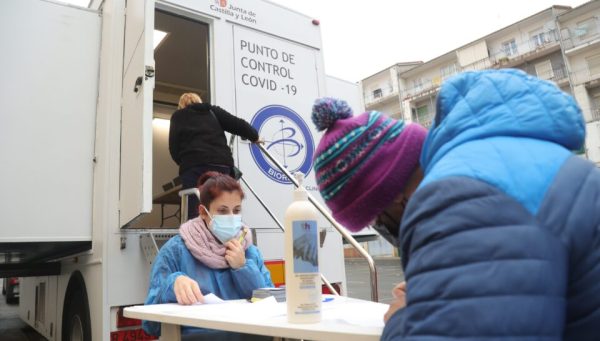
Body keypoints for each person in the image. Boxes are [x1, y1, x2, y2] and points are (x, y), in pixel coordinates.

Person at [310, 69, 600, 340]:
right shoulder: (497, 160)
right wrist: (436, 293)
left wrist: (402, 321)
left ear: (391, 196)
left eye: (377, 220)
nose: (383, 230)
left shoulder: (455, 201)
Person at [143, 172, 274, 340]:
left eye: (237, 210)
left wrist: (243, 268)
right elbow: (150, 324)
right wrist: (172, 284)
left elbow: (271, 306)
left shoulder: (250, 252)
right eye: (222, 211)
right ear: (203, 212)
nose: (232, 218)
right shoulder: (176, 250)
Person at [169, 92, 261, 219]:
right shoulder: (212, 111)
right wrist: (254, 136)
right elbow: (238, 124)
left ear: (181, 105)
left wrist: (185, 162)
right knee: (223, 204)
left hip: (194, 167)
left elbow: (173, 148)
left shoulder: (178, 116)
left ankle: (195, 236)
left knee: (194, 208)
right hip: (220, 165)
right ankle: (224, 235)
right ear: (199, 101)